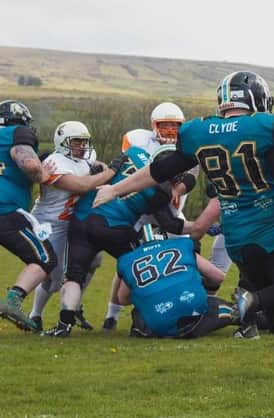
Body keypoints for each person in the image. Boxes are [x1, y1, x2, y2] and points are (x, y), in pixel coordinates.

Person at [93, 70, 274, 374]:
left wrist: (114, 188)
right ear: (256, 98)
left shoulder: (200, 132)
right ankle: (250, 300)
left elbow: (158, 171)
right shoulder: (263, 127)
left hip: (238, 238)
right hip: (273, 229)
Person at [41, 143, 180, 337]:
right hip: (115, 227)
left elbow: (102, 169)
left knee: (74, 276)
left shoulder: (134, 152)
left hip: (83, 217)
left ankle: (64, 324)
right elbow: (170, 224)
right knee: (141, 272)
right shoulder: (162, 189)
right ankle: (141, 322)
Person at [102, 102, 198, 332]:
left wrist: (176, 190)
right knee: (131, 265)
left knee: (186, 259)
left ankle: (186, 310)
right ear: (153, 125)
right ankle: (112, 314)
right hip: (142, 212)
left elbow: (192, 173)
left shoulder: (189, 144)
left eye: (173, 125)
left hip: (172, 211)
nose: (169, 130)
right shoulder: (138, 141)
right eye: (164, 125)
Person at [28, 121, 118, 332]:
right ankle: (35, 315)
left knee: (94, 260)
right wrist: (111, 171)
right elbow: (83, 185)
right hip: (50, 223)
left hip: (73, 223)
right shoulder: (55, 162)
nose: (81, 146)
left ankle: (74, 305)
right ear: (62, 142)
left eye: (84, 141)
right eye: (76, 141)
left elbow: (96, 165)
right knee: (55, 277)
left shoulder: (84, 159)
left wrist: (103, 167)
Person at [115, 224, 237, 338]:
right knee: (230, 308)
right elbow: (218, 277)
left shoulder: (128, 260)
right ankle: (247, 316)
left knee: (140, 310)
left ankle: (144, 328)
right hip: (193, 315)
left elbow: (122, 299)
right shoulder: (182, 245)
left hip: (157, 322)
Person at [0, 100, 57, 331]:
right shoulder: (17, 133)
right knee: (44, 258)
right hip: (5, 210)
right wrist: (43, 175)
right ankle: (13, 301)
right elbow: (31, 164)